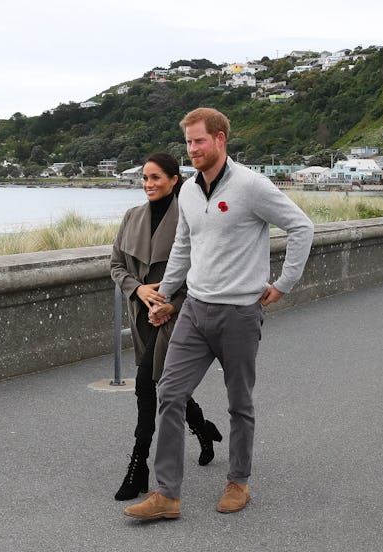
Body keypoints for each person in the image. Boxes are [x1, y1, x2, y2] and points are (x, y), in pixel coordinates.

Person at [124, 108, 314, 520]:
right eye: (188, 142)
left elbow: (302, 227)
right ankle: (167, 495)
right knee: (170, 395)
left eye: (199, 141)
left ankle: (238, 481)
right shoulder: (189, 192)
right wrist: (167, 296)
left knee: (238, 403)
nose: (192, 149)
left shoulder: (251, 186)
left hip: (240, 314)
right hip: (194, 310)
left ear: (220, 139)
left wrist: (284, 284)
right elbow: (183, 249)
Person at [110, 152, 223, 502]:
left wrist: (173, 300)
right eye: (145, 178)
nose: (148, 184)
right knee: (166, 382)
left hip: (177, 315)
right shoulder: (132, 217)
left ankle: (138, 465)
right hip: (142, 314)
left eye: (156, 177)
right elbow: (116, 264)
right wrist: (137, 287)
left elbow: (205, 268)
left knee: (147, 384)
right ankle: (203, 428)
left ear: (175, 180)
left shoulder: (189, 218)